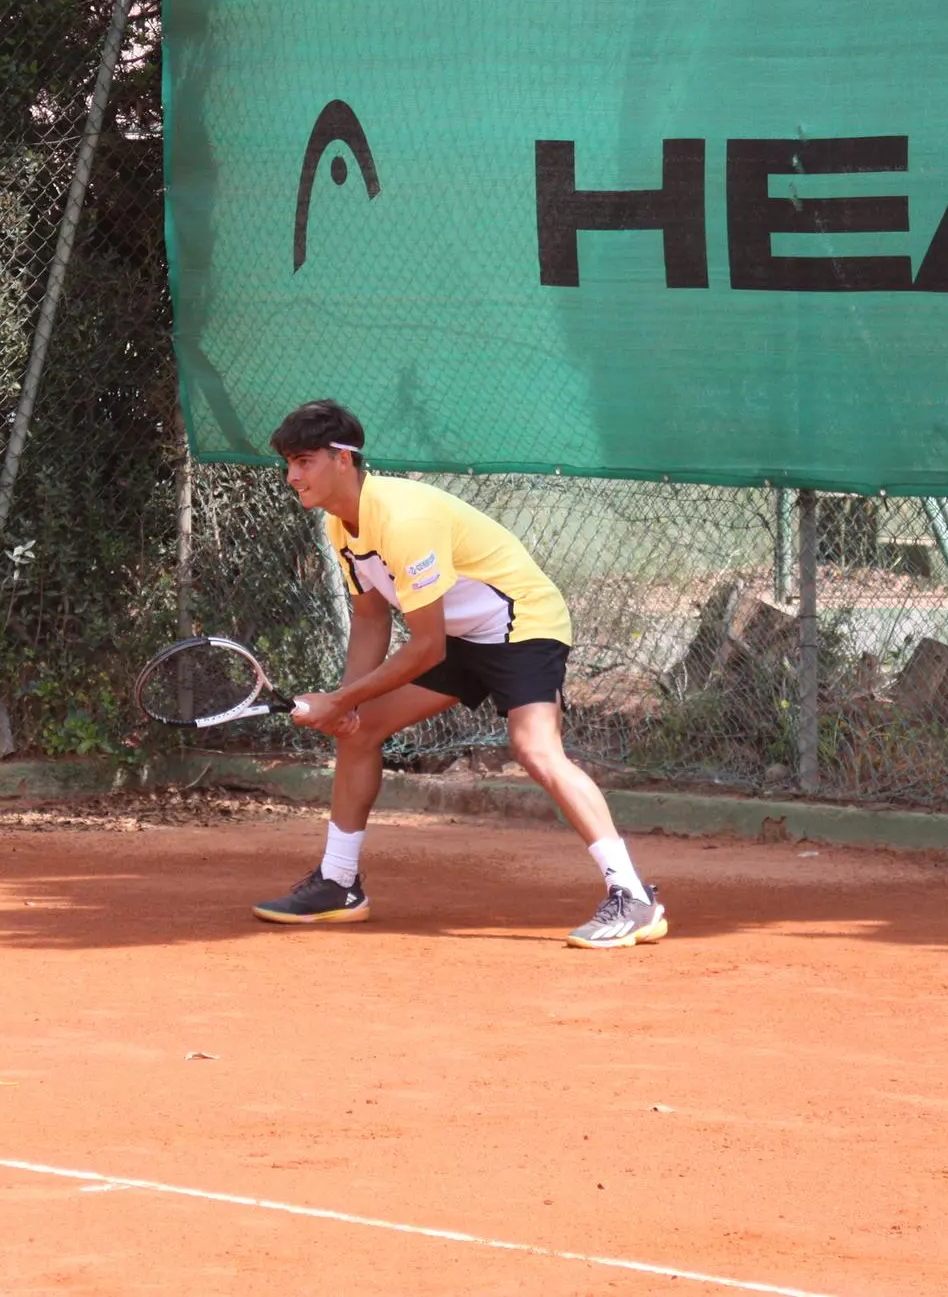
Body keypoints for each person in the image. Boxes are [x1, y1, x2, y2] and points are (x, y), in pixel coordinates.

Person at [252, 400, 667, 948]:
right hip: (458, 633)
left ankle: (633, 897)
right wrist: (345, 705)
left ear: (343, 460)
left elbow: (425, 647)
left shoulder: (403, 520)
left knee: (536, 749)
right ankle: (338, 883)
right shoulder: (340, 526)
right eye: (289, 463)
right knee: (360, 730)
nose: (292, 475)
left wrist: (342, 697)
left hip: (521, 620)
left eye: (303, 461)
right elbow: (372, 617)